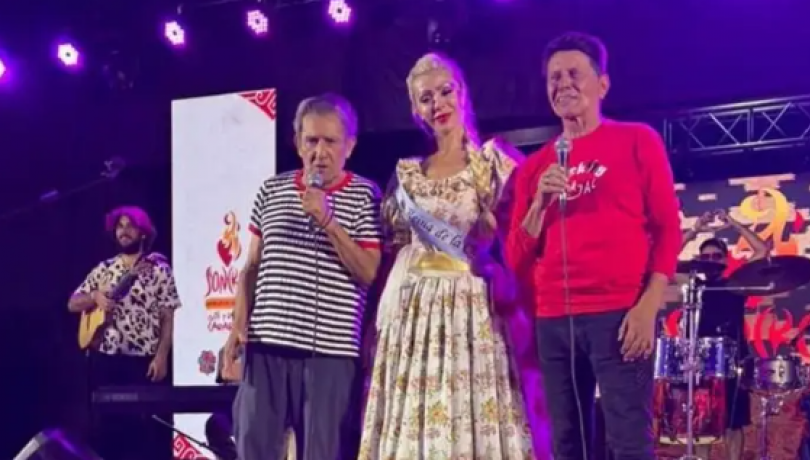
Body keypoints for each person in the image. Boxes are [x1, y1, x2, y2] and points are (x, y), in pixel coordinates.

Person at [359, 52, 545, 460]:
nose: (437, 104)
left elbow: (523, 239)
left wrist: (491, 244)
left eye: (445, 92)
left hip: (472, 310)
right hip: (416, 315)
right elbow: (395, 248)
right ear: (415, 109)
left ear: (462, 94)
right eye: (426, 98)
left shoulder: (494, 163)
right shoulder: (407, 175)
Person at [505, 31, 682, 460]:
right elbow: (515, 258)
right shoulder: (534, 167)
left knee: (628, 441)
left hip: (620, 314)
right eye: (554, 77)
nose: (563, 84)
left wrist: (648, 305)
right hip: (554, 320)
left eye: (574, 74)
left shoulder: (637, 140)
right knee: (568, 443)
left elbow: (667, 229)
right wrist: (539, 205)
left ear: (602, 84)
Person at [225, 93, 383, 460]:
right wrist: (237, 326)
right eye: (311, 140)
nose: (319, 152)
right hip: (266, 344)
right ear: (298, 143)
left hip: (330, 353)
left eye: (330, 141)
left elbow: (369, 272)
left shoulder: (365, 195)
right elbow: (251, 266)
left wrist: (327, 220)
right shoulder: (271, 190)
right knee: (252, 449)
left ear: (350, 146)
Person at [67, 206, 180, 460]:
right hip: (107, 361)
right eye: (120, 226)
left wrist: (162, 356)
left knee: (143, 436)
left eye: (130, 226)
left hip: (142, 362)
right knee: (107, 434)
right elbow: (72, 303)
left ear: (143, 233)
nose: (124, 231)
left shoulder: (158, 268)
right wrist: (95, 297)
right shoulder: (104, 268)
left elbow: (168, 316)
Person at [681, 209, 768, 460]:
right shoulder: (694, 286)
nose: (710, 261)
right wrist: (695, 229)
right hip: (698, 359)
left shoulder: (736, 283)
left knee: (734, 422)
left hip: (732, 357)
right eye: (705, 256)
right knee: (701, 421)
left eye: (716, 256)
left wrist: (733, 224)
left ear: (725, 259)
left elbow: (762, 251)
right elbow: (665, 261)